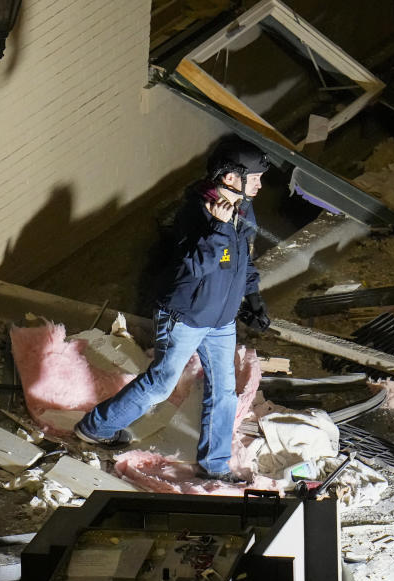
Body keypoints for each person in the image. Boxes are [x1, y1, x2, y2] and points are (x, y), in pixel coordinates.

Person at [73, 137, 272, 482]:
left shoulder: (242, 208)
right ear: (229, 178)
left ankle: (215, 466)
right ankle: (95, 428)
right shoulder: (196, 213)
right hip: (186, 317)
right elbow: (196, 267)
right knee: (161, 384)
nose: (259, 182)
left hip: (220, 320)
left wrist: (252, 295)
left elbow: (243, 257)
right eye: (253, 176)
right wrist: (218, 229)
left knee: (224, 392)